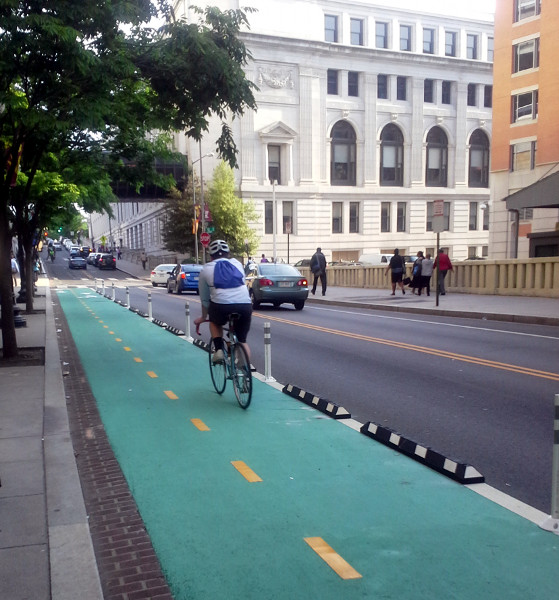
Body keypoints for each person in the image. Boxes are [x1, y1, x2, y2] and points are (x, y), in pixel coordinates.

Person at [194, 239, 252, 364]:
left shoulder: (205, 269)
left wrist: (204, 317)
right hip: (245, 305)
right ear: (229, 254)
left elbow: (205, 299)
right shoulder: (237, 264)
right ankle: (245, 372)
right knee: (242, 340)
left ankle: (219, 350)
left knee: (215, 323)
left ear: (210, 257)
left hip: (221, 306)